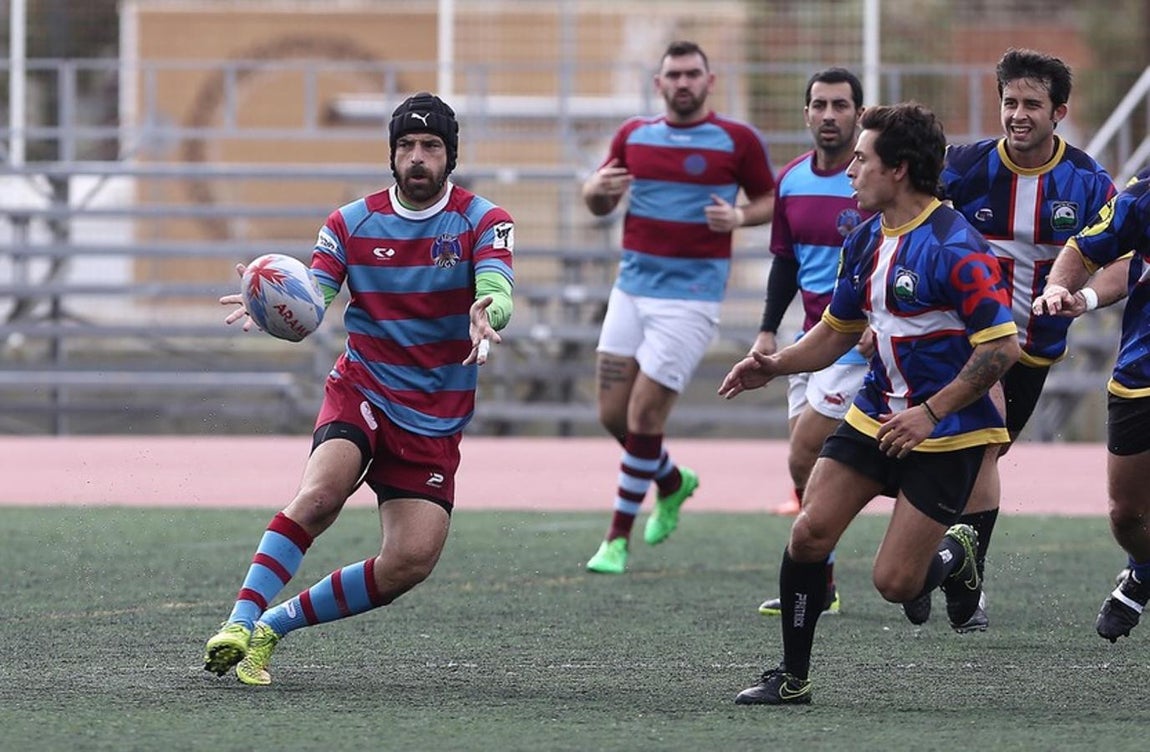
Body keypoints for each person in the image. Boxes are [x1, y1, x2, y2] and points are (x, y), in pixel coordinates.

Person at [201, 92, 515, 685]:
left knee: (410, 562)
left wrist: (489, 309)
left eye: (430, 147)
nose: (417, 158)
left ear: (451, 156)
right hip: (364, 388)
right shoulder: (349, 222)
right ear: (392, 155)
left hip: (434, 416)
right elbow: (314, 298)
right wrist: (270, 302)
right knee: (320, 496)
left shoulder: (483, 220)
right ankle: (239, 622)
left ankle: (273, 627)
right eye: (406, 147)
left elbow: (498, 286)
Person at [720, 103, 1020, 705]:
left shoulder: (955, 246)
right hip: (876, 411)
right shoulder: (862, 242)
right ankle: (793, 677)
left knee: (894, 583)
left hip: (948, 430)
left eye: (862, 159)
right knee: (809, 534)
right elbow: (835, 331)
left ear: (899, 170)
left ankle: (957, 553)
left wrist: (931, 412)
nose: (850, 170)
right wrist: (773, 364)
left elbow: (1002, 348)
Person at [903, 48, 1120, 630]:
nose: (1018, 114)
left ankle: (947, 568)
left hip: (1031, 352)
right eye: (1009, 102)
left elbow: (1128, 257)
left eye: (1032, 104)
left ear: (1060, 112)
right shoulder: (962, 167)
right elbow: (906, 226)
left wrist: (1088, 295)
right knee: (962, 454)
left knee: (980, 457)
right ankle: (942, 571)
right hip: (956, 343)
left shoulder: (1089, 181)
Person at [580, 40, 776, 574]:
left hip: (690, 299)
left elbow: (769, 200)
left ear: (710, 81)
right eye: (674, 74)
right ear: (659, 83)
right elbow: (596, 199)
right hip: (631, 288)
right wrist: (599, 188)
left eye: (693, 74)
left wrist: (738, 218)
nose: (683, 82)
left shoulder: (737, 140)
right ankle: (671, 480)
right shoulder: (633, 135)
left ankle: (616, 539)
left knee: (644, 414)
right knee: (611, 415)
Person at [750, 68, 872, 618]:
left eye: (840, 105)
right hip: (808, 341)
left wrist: (881, 320)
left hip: (855, 347)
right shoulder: (792, 180)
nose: (829, 115)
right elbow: (785, 261)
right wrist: (768, 327)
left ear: (859, 114)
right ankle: (820, 580)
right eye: (819, 105)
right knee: (804, 470)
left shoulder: (875, 184)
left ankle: (921, 546)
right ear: (806, 114)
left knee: (806, 452)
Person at [1032, 171, 1150, 643]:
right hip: (1142, 374)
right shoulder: (1142, 196)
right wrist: (1070, 290)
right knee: (1127, 515)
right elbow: (1086, 249)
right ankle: (1143, 569)